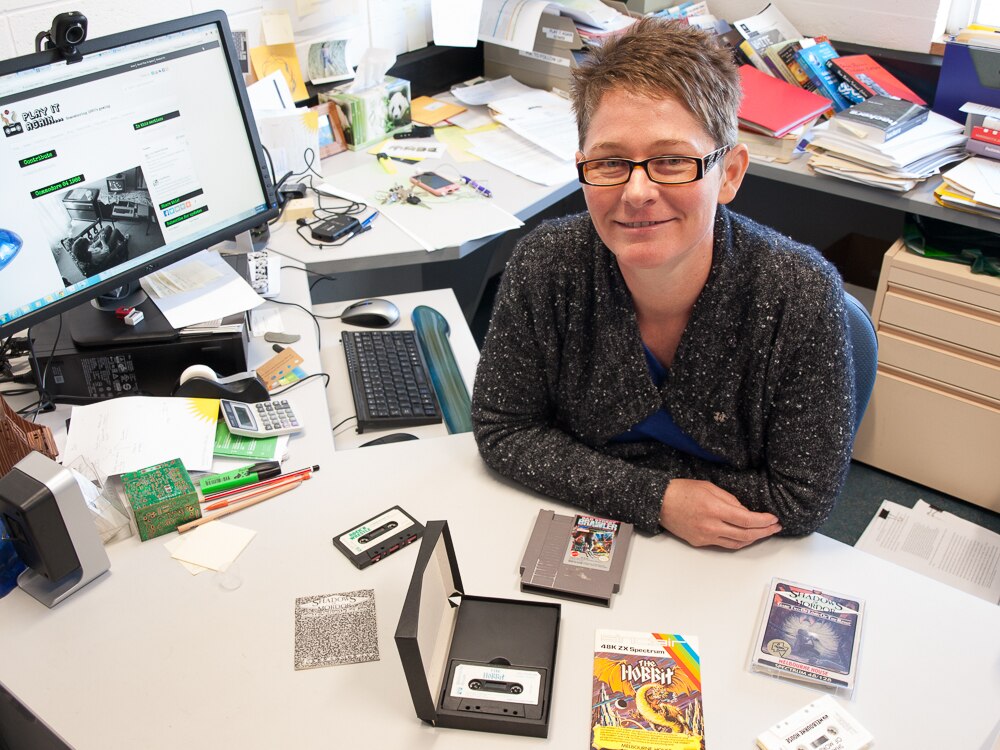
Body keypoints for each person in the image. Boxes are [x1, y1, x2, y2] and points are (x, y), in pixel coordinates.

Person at [470, 17, 855, 550]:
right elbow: (503, 430)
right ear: (582, 166)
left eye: (672, 161)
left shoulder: (799, 293)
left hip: (732, 562)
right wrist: (660, 499)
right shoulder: (547, 263)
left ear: (730, 173)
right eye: (610, 162)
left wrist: (586, 470)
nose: (636, 192)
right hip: (594, 536)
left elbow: (801, 498)